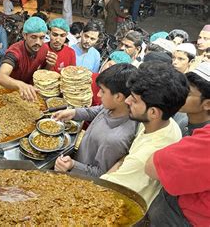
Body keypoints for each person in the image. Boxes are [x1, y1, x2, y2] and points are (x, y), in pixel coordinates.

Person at [100, 62, 188, 208]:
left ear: (153, 112)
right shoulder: (167, 123)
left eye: (134, 100)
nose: (127, 101)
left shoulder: (144, 157)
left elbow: (104, 190)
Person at [145, 62, 210, 226]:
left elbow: (152, 167)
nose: (177, 95)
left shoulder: (204, 140)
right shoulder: (182, 120)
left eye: (186, 93)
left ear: (207, 104)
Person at [54, 64, 138, 177]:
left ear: (118, 97)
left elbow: (101, 174)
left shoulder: (115, 140)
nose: (98, 94)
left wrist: (72, 165)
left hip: (81, 179)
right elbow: (97, 110)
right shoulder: (114, 108)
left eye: (102, 91)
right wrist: (73, 113)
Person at [0, 16, 48, 102]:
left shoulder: (44, 49)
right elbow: (0, 77)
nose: (38, 42)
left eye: (42, 37)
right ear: (25, 35)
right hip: (10, 92)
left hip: (30, 92)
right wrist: (21, 85)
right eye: (33, 37)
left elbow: (41, 72)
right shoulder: (15, 52)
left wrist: (50, 65)